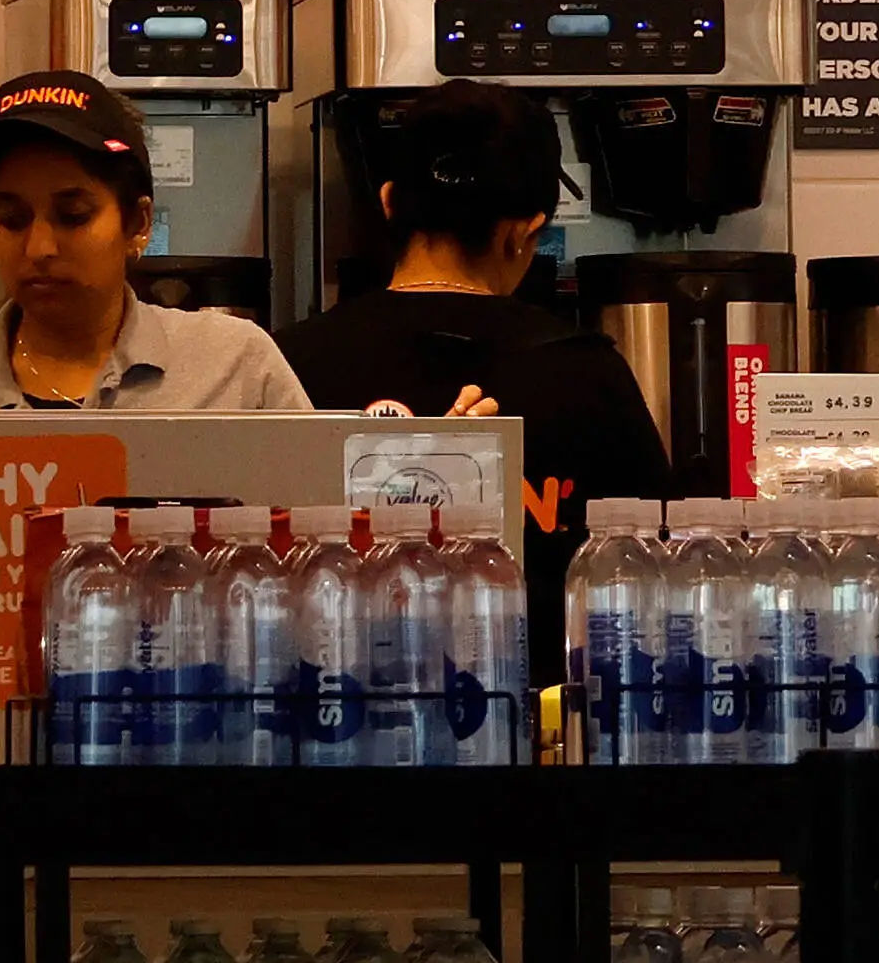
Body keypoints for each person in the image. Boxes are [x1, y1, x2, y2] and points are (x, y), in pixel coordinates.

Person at [272, 82, 675, 662]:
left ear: (388, 203)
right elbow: (652, 575)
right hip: (537, 729)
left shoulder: (289, 360)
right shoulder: (586, 371)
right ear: (523, 232)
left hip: (336, 716)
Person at [0, 73, 313, 415]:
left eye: (73, 216)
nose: (39, 247)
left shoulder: (236, 366)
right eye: (12, 219)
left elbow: (318, 525)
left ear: (138, 223)